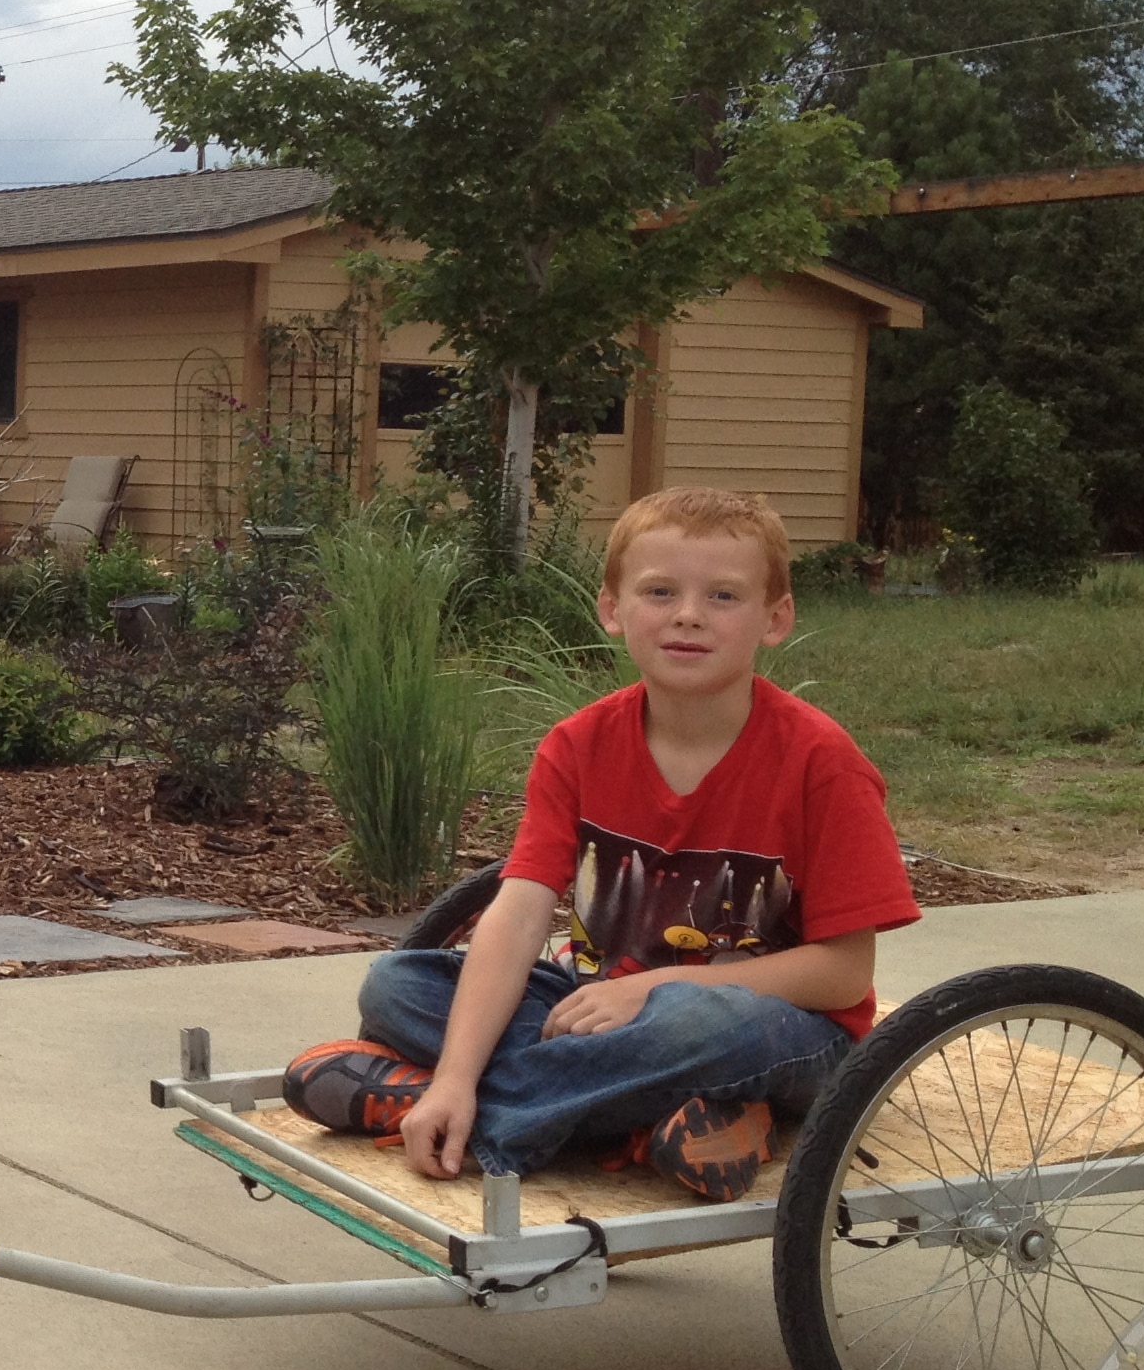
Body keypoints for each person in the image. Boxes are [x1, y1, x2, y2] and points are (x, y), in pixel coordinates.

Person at [285, 487, 918, 1203]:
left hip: (773, 1030)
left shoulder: (821, 763)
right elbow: (519, 914)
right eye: (659, 591)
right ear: (612, 610)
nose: (687, 614)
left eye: (723, 595)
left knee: (694, 1026)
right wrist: (457, 1072)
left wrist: (652, 988)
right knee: (400, 984)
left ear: (775, 619)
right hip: (599, 1004)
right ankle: (657, 1118)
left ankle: (484, 1121)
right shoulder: (579, 746)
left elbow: (842, 975)